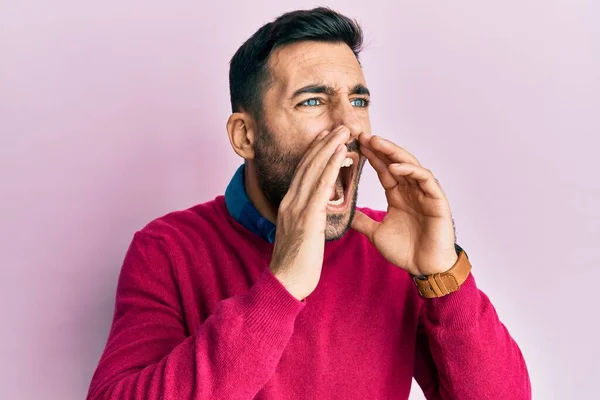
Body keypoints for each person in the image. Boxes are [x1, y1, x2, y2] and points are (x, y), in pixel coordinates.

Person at [87, 7, 531, 400]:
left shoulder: (392, 251)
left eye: (358, 100)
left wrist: (443, 277)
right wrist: (281, 287)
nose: (347, 127)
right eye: (313, 101)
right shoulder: (167, 248)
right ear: (246, 135)